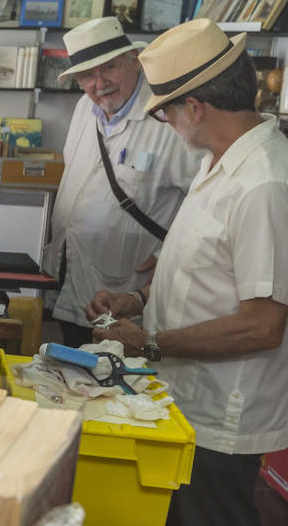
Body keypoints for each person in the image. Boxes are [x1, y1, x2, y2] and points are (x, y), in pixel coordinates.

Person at [88, 19, 288, 526]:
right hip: (188, 394)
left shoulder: (268, 184)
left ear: (197, 106)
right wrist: (139, 306)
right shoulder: (225, 160)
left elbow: (261, 324)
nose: (165, 125)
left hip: (227, 408)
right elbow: (210, 273)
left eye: (164, 112)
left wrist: (151, 342)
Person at [44, 17, 198, 346]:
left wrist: (171, 253)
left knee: (114, 383)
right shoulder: (84, 108)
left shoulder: (167, 119)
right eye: (87, 74)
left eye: (109, 68)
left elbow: (204, 197)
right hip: (69, 276)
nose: (99, 83)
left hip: (123, 294)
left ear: (134, 63)